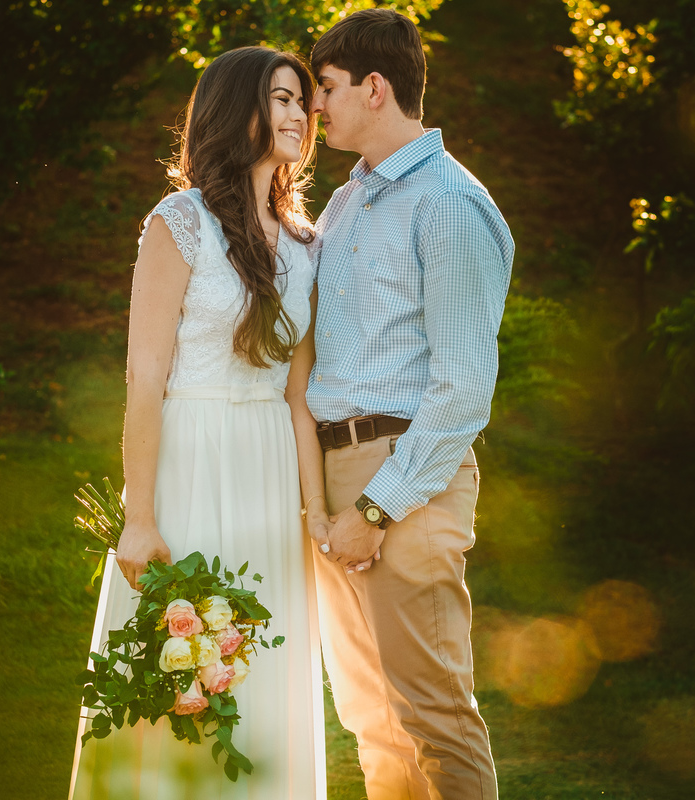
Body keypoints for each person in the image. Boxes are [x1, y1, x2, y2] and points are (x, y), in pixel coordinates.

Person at [68, 46, 327, 799]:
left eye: (300, 103)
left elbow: (298, 397)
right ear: (233, 108)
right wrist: (139, 517)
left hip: (269, 476)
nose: (297, 117)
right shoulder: (176, 224)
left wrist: (313, 516)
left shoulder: (307, 246)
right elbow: (145, 377)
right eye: (279, 99)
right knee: (179, 672)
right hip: (189, 460)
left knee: (260, 675)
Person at [289, 9, 514, 800]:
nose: (316, 107)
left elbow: (462, 388)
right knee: (370, 719)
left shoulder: (449, 205)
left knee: (434, 716)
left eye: (326, 88)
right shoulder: (348, 203)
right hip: (339, 475)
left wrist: (375, 509)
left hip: (405, 482)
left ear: (374, 88)